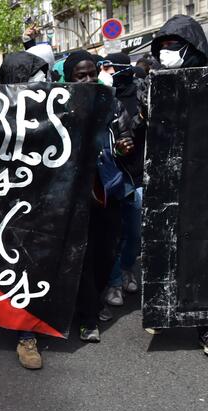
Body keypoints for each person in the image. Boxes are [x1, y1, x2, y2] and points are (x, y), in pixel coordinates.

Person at [147, 14, 208, 354]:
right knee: (163, 245)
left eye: (175, 46)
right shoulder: (155, 84)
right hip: (166, 182)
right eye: (163, 46)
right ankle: (163, 309)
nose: (167, 52)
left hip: (202, 185)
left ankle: (204, 324)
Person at [64, 51, 133, 344]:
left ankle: (96, 301)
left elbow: (122, 137)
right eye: (81, 75)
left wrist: (123, 146)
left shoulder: (112, 102)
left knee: (107, 253)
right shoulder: (59, 106)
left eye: (92, 73)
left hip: (108, 191)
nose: (89, 79)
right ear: (68, 79)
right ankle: (87, 317)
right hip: (72, 196)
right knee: (84, 258)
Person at [0, 50, 52, 369]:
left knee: (35, 265)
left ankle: (29, 329)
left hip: (44, 201)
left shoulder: (53, 110)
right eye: (34, 77)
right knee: (14, 265)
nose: (42, 84)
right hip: (4, 204)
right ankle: (20, 331)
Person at [99, 53, 142, 311]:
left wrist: (123, 146)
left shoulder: (122, 102)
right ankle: (114, 282)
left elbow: (127, 134)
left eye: (107, 67)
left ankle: (127, 269)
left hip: (130, 178)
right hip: (106, 182)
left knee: (134, 233)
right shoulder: (94, 102)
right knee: (112, 235)